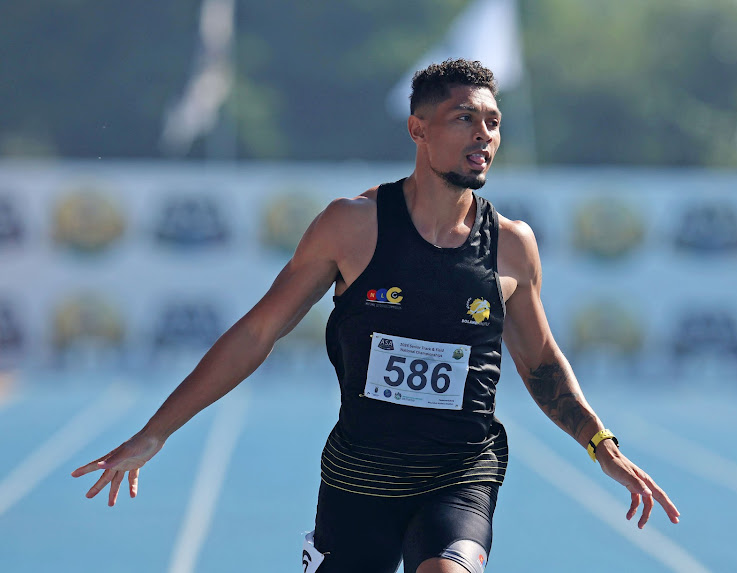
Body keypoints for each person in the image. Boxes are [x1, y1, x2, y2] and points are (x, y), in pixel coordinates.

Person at [72, 59, 680, 573]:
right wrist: (155, 432)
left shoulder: (512, 245)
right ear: (418, 129)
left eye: (493, 121)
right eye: (464, 118)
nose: (484, 135)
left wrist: (601, 444)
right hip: (358, 478)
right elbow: (257, 332)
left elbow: (543, 365)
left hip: (460, 474)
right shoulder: (352, 226)